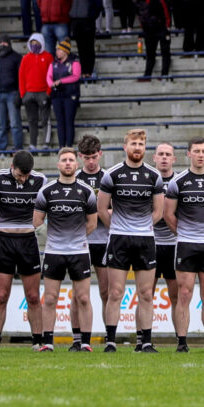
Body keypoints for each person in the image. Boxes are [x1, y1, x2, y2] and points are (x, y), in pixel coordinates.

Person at [96, 128, 166, 352]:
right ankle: (110, 341)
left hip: (145, 240)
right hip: (119, 239)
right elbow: (102, 209)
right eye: (133, 144)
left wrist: (142, 227)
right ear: (124, 147)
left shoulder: (154, 176)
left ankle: (144, 341)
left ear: (146, 148)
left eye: (141, 145)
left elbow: (158, 212)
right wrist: (118, 227)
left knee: (146, 293)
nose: (137, 148)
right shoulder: (112, 175)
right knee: (115, 292)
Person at [163, 137, 204, 353]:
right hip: (186, 245)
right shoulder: (177, 182)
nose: (201, 155)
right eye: (197, 151)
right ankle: (182, 342)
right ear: (188, 154)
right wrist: (185, 233)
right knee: (184, 293)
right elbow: (168, 214)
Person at [33, 147, 98, 351]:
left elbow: (92, 223)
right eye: (64, 160)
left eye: (71, 160)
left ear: (76, 164)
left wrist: (75, 239)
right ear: (58, 164)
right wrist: (55, 238)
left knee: (83, 298)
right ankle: (47, 343)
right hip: (54, 252)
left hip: (79, 252)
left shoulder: (86, 191)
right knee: (50, 298)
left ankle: (85, 342)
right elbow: (37, 221)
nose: (68, 163)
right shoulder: (47, 191)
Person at [0, 149, 46, 351]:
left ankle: (37, 341)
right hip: (4, 240)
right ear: (12, 167)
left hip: (28, 240)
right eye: (20, 175)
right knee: (1, 295)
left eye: (27, 176)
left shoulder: (40, 180)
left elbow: (49, 203)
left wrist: (44, 222)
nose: (23, 179)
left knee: (34, 296)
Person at [73, 133, 109, 346]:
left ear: (100, 154)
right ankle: (77, 338)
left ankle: (109, 336)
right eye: (86, 157)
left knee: (106, 291)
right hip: (81, 241)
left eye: (94, 156)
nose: (91, 161)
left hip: (104, 240)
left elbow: (114, 210)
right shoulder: (74, 178)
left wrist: (101, 213)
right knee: (78, 294)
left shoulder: (108, 178)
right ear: (80, 157)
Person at [149, 142, 180, 349]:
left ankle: (181, 339)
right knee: (145, 294)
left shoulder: (181, 181)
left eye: (168, 154)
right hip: (149, 243)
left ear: (174, 159)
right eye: (160, 154)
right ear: (154, 157)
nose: (164, 158)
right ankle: (144, 339)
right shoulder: (146, 179)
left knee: (176, 295)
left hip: (174, 244)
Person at [0, 37, 24, 153]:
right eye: (0, 42)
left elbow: (21, 77)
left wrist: (19, 93)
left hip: (12, 93)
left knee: (15, 123)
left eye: (5, 42)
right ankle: (1, 146)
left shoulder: (17, 57)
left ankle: (18, 147)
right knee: (0, 123)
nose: (2, 45)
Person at [129, 0, 172, 79]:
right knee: (149, 53)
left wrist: (168, 24)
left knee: (165, 51)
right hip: (148, 28)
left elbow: (165, 7)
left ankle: (164, 74)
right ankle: (147, 75)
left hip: (160, 25)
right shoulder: (136, 1)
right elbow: (139, 14)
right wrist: (143, 27)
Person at [69, 0, 102, 77]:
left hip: (87, 21)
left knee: (89, 47)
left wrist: (91, 16)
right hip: (76, 20)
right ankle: (83, 70)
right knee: (80, 47)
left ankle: (89, 69)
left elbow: (98, 3)